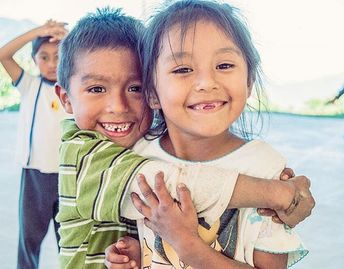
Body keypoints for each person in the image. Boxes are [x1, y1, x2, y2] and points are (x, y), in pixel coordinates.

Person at [54, 7, 315, 269]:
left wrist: (142, 252)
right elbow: (169, 184)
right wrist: (277, 194)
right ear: (154, 93)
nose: (119, 106)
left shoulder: (263, 165)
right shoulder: (85, 153)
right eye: (96, 89)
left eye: (135, 88)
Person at [0, 20, 69, 268]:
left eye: (59, 56)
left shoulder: (75, 88)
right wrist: (37, 32)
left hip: (68, 178)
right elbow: (3, 55)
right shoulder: (30, 85)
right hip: (35, 177)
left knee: (70, 242)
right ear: (34, 59)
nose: (51, 64)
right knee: (29, 241)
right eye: (44, 57)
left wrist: (69, 37)